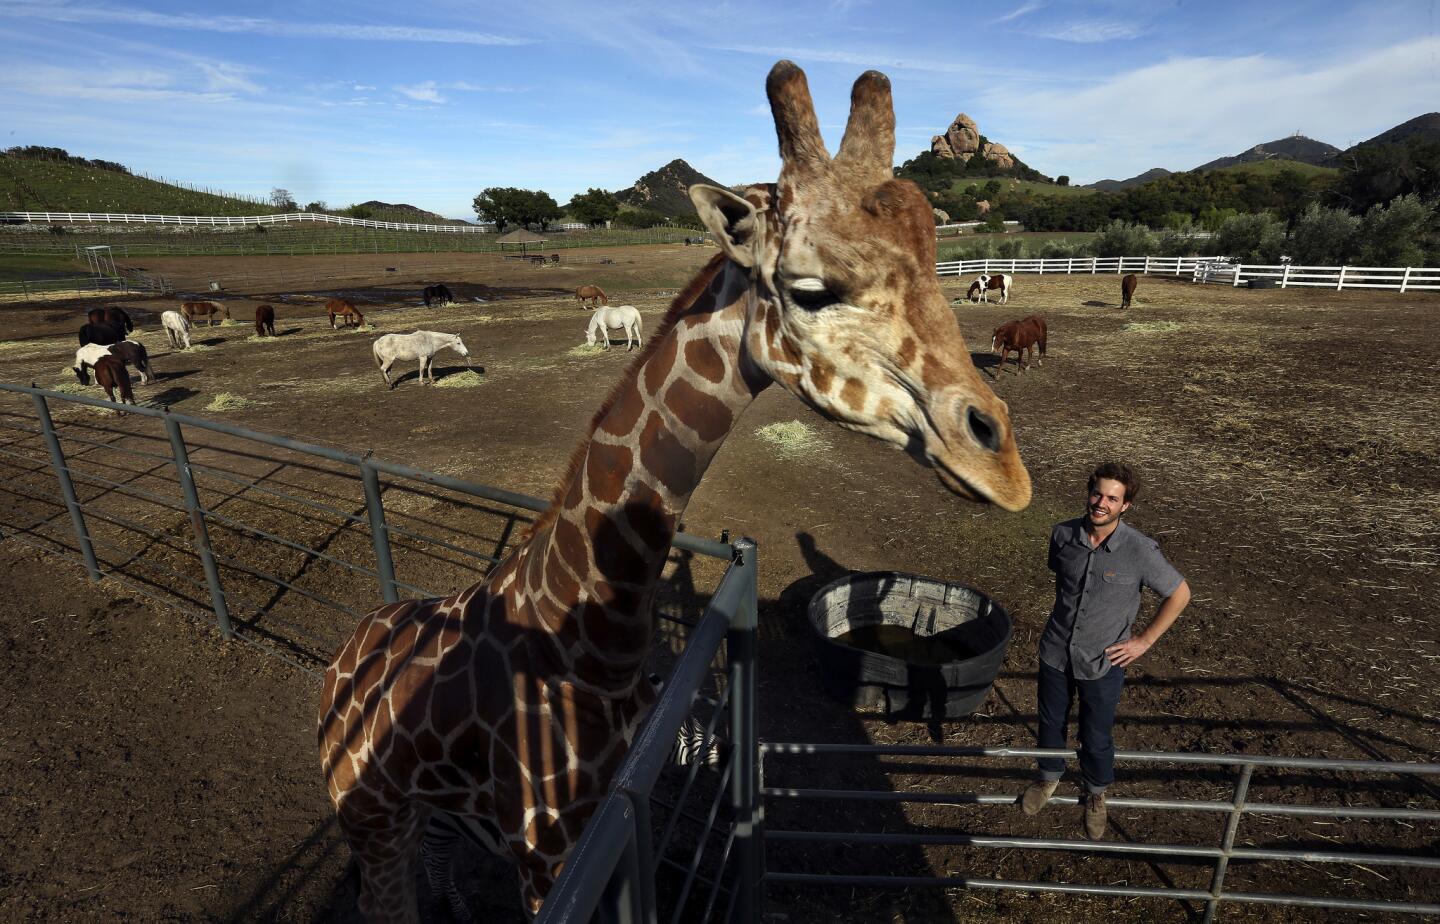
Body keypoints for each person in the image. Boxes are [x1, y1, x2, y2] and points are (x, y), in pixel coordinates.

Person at [1019, 462, 1191, 839]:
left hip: (1105, 660)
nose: (1101, 503)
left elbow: (1180, 593)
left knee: (1096, 734)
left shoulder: (1140, 550)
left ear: (1125, 506)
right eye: (1097, 493)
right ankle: (1048, 777)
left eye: (1112, 498)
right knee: (1050, 722)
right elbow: (1062, 582)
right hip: (1056, 651)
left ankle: (1096, 792)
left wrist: (1144, 640)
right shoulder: (1062, 535)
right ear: (1089, 492)